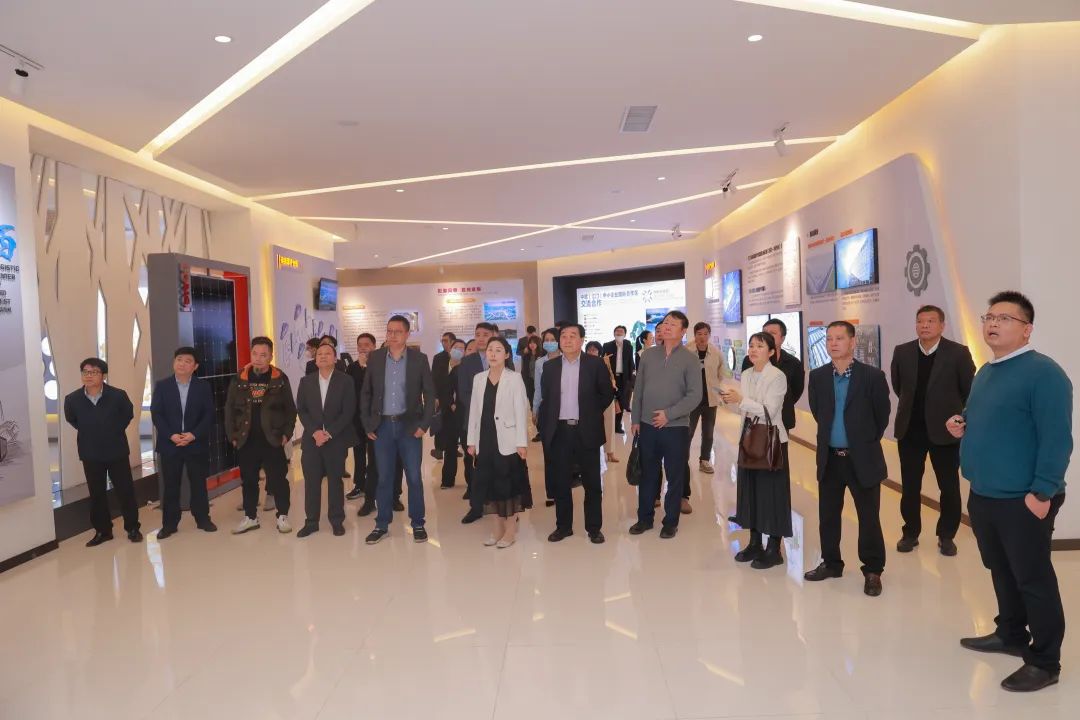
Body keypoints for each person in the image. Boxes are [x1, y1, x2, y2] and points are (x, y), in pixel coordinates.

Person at [950, 291, 1072, 693]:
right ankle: (1010, 633)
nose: (993, 323)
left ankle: (1045, 661)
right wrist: (961, 422)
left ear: (1026, 330)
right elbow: (983, 415)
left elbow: (1057, 439)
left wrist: (1042, 492)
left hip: (1024, 498)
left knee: (1032, 578)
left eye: (1004, 318)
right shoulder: (986, 371)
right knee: (1000, 569)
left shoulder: (1044, 374)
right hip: (985, 493)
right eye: (989, 317)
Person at [805, 321, 891, 597]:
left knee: (869, 518)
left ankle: (873, 570)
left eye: (839, 338)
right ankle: (831, 563)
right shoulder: (818, 376)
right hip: (830, 459)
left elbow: (881, 417)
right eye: (829, 338)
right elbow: (819, 413)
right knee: (828, 516)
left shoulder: (872, 376)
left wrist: (861, 442)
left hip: (862, 459)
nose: (833, 343)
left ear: (853, 342)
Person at [891, 305, 976, 555]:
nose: (924, 325)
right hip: (910, 431)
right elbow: (899, 387)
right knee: (910, 487)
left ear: (942, 325)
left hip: (945, 432)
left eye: (930, 321)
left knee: (948, 487)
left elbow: (969, 391)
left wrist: (957, 418)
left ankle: (946, 535)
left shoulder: (958, 353)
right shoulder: (902, 352)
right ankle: (910, 533)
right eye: (920, 321)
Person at [360, 315, 436, 544]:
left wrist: (424, 424)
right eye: (389, 331)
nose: (392, 335)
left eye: (398, 331)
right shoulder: (375, 358)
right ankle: (381, 524)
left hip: (409, 427)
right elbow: (366, 393)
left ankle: (418, 523)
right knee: (384, 477)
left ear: (407, 334)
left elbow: (430, 393)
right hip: (382, 426)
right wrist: (367, 423)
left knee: (414, 477)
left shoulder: (419, 359)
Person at [538, 324, 614, 543]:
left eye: (573, 336)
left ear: (581, 340)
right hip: (560, 431)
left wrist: (590, 413)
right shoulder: (550, 367)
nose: (567, 340)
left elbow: (606, 394)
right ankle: (563, 527)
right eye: (563, 336)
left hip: (586, 430)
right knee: (561, 482)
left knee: (592, 483)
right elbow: (547, 398)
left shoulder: (595, 364)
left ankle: (594, 528)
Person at [721, 332, 791, 569]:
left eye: (759, 346)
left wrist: (741, 399)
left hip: (771, 441)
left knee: (772, 493)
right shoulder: (747, 374)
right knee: (750, 492)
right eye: (751, 345)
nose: (753, 349)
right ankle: (754, 543)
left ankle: (774, 548)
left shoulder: (777, 376)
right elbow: (746, 408)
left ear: (771, 352)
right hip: (749, 439)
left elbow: (770, 410)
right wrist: (732, 400)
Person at [629, 311, 701, 539]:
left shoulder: (690, 359)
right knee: (648, 473)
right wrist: (635, 418)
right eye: (666, 322)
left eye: (673, 324)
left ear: (683, 331)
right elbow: (639, 388)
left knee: (675, 475)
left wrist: (669, 415)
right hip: (647, 425)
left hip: (675, 428)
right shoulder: (649, 355)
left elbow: (695, 395)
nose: (667, 326)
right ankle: (644, 518)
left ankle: (670, 522)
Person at [63, 358, 142, 546]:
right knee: (96, 494)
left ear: (103, 375)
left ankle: (132, 528)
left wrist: (111, 431)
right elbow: (72, 419)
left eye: (94, 372)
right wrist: (92, 432)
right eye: (85, 372)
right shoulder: (72, 399)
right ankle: (103, 531)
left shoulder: (117, 395)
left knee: (125, 491)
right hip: (90, 453)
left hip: (116, 451)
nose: (89, 376)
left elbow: (127, 414)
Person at [225, 336, 297, 534]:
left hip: (272, 439)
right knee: (248, 480)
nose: (258, 358)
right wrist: (232, 435)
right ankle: (250, 517)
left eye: (263, 355)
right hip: (246, 439)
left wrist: (287, 433)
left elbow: (290, 409)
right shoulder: (239, 378)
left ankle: (282, 516)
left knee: (278, 480)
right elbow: (229, 409)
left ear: (270, 356)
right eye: (255, 354)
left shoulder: (279, 378)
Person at [468, 337, 531, 548]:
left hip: (508, 441)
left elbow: (521, 411)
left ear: (506, 354)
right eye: (490, 350)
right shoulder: (478, 378)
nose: (493, 354)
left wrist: (521, 442)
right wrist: (471, 441)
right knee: (490, 486)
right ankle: (496, 530)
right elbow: (474, 412)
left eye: (498, 350)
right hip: (485, 439)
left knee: (508, 487)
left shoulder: (514, 378)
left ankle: (510, 532)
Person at [151, 346, 216, 538]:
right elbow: (157, 414)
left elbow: (209, 414)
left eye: (188, 361)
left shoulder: (203, 387)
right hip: (170, 444)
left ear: (195, 367)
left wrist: (193, 435)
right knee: (171, 486)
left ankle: (203, 519)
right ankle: (169, 524)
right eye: (179, 359)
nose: (182, 364)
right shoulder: (162, 386)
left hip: (195, 443)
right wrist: (170, 435)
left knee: (198, 484)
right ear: (174, 362)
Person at [295, 342, 357, 537]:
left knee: (335, 481)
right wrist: (315, 432)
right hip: (312, 441)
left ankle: (337, 520)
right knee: (311, 481)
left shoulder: (345, 381)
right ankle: (311, 522)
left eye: (327, 353)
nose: (323, 356)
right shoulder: (306, 382)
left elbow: (348, 411)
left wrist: (329, 433)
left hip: (335, 440)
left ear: (335, 358)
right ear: (315, 360)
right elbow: (302, 410)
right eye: (319, 354)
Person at [457, 322, 514, 524]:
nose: (481, 338)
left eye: (485, 334)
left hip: (501, 424)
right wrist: (482, 409)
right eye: (477, 334)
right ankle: (476, 507)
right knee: (476, 467)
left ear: (494, 335)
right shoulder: (467, 362)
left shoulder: (504, 358)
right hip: (475, 422)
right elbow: (464, 392)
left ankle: (504, 508)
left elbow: (511, 391)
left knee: (502, 465)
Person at [741, 318, 805, 432]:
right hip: (753, 418)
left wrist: (778, 403)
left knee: (778, 443)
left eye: (772, 333)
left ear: (782, 338)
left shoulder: (794, 363)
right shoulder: (748, 361)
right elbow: (746, 388)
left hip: (781, 419)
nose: (767, 336)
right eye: (764, 332)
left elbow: (796, 391)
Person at [687, 322, 724, 485]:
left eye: (705, 334)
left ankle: (705, 460)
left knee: (708, 433)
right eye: (699, 334)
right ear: (694, 335)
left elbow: (720, 373)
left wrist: (713, 388)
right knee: (688, 432)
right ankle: (683, 460)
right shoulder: (687, 351)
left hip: (710, 400)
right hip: (692, 400)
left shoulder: (715, 352)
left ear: (709, 334)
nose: (702, 337)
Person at [346, 333, 380, 507]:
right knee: (358, 454)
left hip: (376, 419)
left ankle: (375, 486)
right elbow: (351, 390)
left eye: (367, 344)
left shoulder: (380, 365)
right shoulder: (352, 368)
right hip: (357, 419)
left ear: (374, 346)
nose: (363, 348)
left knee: (375, 455)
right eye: (360, 345)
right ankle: (359, 485)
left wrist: (366, 367)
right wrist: (360, 367)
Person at [532, 328, 561, 503]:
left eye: (552, 339)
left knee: (563, 453)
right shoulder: (539, 363)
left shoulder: (566, 359)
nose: (549, 342)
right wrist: (535, 409)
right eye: (546, 340)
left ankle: (563, 488)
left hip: (564, 411)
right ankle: (551, 492)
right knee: (548, 453)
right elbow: (538, 388)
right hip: (546, 411)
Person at [437, 339, 468, 488]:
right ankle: (447, 480)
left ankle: (471, 481)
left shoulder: (467, 368)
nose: (459, 350)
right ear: (450, 349)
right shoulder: (441, 366)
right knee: (450, 447)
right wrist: (450, 403)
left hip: (464, 412)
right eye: (456, 347)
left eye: (462, 348)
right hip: (448, 413)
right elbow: (440, 388)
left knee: (467, 447)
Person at [586, 341, 619, 464]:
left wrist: (613, 383)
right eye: (589, 349)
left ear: (599, 351)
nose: (591, 352)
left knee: (609, 425)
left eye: (594, 350)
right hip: (590, 400)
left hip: (606, 398)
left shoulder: (605, 361)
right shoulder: (583, 363)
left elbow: (611, 377)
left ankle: (610, 452)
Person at [603, 325, 635, 434]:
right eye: (617, 331)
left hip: (623, 379)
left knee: (621, 403)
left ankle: (617, 426)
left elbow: (630, 362)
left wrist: (629, 379)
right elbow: (603, 361)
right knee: (609, 402)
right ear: (614, 333)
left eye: (621, 331)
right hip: (610, 378)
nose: (619, 333)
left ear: (625, 334)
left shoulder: (628, 346)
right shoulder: (607, 345)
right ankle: (608, 425)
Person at [430, 331, 456, 460]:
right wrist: (435, 396)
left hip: (454, 397)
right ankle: (439, 449)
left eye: (446, 340)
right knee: (440, 424)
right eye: (442, 341)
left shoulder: (458, 356)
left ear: (453, 341)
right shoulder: (438, 357)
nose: (443, 343)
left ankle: (453, 449)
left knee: (453, 425)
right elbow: (433, 378)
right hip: (441, 397)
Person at [520, 335, 542, 410]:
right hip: (529, 381)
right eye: (530, 343)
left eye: (534, 343)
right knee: (531, 398)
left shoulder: (542, 354)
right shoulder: (526, 356)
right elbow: (524, 369)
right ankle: (533, 411)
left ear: (537, 343)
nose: (532, 345)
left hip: (539, 381)